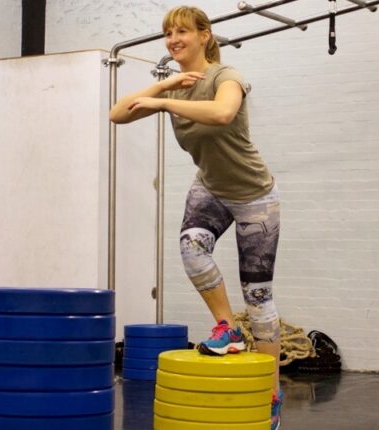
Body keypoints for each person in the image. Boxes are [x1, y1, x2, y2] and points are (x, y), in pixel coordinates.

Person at [109, 5, 283, 429]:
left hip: (254, 195)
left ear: (204, 35)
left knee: (258, 298)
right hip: (211, 186)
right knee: (192, 249)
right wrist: (167, 83)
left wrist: (163, 101)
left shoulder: (226, 76)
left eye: (182, 32)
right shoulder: (178, 86)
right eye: (168, 34)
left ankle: (271, 394)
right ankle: (228, 328)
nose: (173, 40)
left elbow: (222, 113)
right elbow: (117, 113)